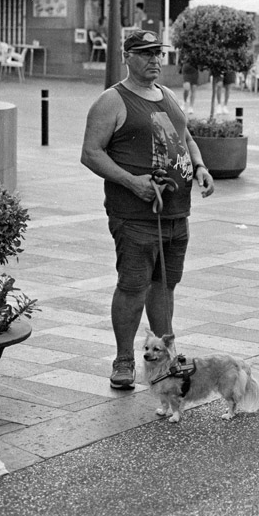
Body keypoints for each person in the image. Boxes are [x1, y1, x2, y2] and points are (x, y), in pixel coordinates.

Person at [81, 29, 215, 390]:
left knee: (166, 284)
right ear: (127, 56)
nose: (155, 59)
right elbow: (91, 153)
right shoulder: (112, 100)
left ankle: (166, 352)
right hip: (135, 215)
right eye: (146, 53)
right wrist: (132, 181)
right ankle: (124, 358)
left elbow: (185, 137)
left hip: (176, 213)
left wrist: (200, 167)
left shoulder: (167, 94)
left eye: (158, 53)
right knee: (133, 286)